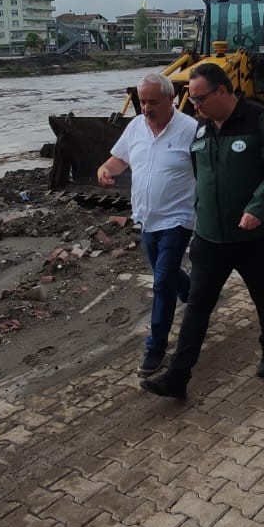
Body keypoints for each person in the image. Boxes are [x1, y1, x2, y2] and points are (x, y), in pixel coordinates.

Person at [142, 63, 264, 400]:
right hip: (210, 237)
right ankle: (177, 378)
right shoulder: (201, 130)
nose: (194, 106)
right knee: (197, 306)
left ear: (222, 91)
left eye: (199, 98)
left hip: (253, 236)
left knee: (263, 293)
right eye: (191, 100)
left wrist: (258, 206)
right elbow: (200, 174)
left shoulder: (257, 119)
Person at [96, 73, 199, 376]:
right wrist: (105, 169)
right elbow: (119, 159)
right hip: (146, 218)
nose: (146, 108)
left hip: (178, 218)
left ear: (171, 99)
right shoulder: (135, 127)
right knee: (165, 276)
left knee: (162, 282)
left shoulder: (191, 130)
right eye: (143, 101)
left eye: (153, 102)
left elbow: (208, 172)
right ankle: (196, 296)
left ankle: (155, 349)